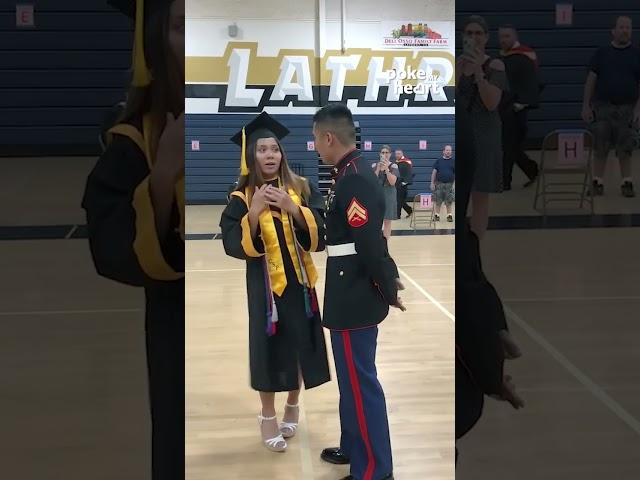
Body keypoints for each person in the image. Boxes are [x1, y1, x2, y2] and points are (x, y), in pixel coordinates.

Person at [81, 1, 185, 479]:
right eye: (184, 27)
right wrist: (163, 173)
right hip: (179, 328)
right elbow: (113, 251)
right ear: (155, 40)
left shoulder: (250, 128)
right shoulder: (134, 141)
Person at [220, 112, 331, 453]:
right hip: (264, 288)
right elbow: (233, 246)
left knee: (299, 343)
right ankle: (267, 414)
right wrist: (253, 212)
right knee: (268, 347)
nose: (270, 155)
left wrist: (293, 209)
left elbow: (320, 237)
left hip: (299, 284)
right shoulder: (239, 197)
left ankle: (293, 406)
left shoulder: (300, 188)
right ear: (251, 156)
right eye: (262, 150)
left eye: (275, 149)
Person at [313, 103, 405, 480]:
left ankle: (375, 471)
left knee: (361, 384)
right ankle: (353, 446)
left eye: (316, 138)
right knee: (351, 381)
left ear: (329, 137)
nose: (316, 146)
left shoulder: (353, 178)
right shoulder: (349, 172)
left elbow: (368, 242)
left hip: (354, 293)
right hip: (347, 288)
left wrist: (388, 284)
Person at [457, 15, 507, 239]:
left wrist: (478, 72)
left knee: (479, 195)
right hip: (462, 133)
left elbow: (491, 102)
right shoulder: (456, 64)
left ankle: (476, 247)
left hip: (484, 134)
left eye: (478, 33)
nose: (474, 38)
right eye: (469, 33)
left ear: (486, 37)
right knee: (458, 193)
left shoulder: (494, 65)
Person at [582, 15, 640, 197]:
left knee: (626, 147)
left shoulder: (637, 54)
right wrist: (586, 105)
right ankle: (597, 182)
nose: (625, 30)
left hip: (627, 109)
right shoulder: (601, 53)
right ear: (613, 31)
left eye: (628, 27)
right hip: (602, 108)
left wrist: (639, 109)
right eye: (621, 27)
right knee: (600, 146)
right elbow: (591, 80)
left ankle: (627, 182)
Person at [498, 24, 540, 190]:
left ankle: (505, 182)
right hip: (504, 107)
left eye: (507, 36)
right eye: (501, 36)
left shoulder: (524, 56)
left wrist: (521, 103)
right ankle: (531, 169)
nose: (503, 40)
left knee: (509, 146)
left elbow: (530, 82)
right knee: (510, 147)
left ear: (515, 37)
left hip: (517, 109)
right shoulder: (502, 57)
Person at [372, 145, 399, 239]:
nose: (385, 154)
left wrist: (387, 169)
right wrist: (379, 168)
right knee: (376, 220)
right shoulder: (374, 165)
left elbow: (392, 182)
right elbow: (372, 181)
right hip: (377, 193)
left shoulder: (394, 166)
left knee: (387, 221)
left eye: (387, 153)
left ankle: (385, 243)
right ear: (380, 154)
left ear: (390, 154)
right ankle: (377, 243)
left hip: (389, 193)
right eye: (383, 152)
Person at [431, 145, 456, 222]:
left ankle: (449, 216)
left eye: (450, 150)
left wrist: (454, 184)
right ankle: (436, 216)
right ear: (443, 151)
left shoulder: (454, 161)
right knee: (438, 200)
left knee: (449, 201)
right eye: (447, 150)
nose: (448, 151)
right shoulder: (438, 161)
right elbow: (434, 172)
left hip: (450, 184)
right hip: (439, 184)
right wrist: (432, 183)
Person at [395, 149, 414, 218]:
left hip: (403, 184)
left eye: (399, 154)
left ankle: (397, 215)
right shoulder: (397, 163)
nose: (397, 155)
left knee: (399, 200)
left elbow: (408, 173)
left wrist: (405, 182)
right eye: (396, 154)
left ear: (402, 154)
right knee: (400, 200)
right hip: (397, 184)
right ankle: (409, 210)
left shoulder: (406, 162)